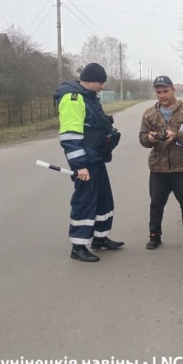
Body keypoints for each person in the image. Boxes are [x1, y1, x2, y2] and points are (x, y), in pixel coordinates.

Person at [53, 62, 124, 262]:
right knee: (85, 201)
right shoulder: (73, 99)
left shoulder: (89, 97)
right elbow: (70, 136)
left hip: (95, 157)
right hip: (85, 161)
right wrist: (80, 166)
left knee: (103, 198)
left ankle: (100, 239)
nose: (102, 86)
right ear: (91, 80)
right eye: (101, 82)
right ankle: (78, 245)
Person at [139, 75, 183, 250]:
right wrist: (149, 138)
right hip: (158, 167)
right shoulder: (150, 113)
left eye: (165, 91)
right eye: (158, 92)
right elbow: (142, 138)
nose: (162, 95)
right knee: (156, 204)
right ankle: (154, 236)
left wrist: (176, 135)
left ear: (173, 90)